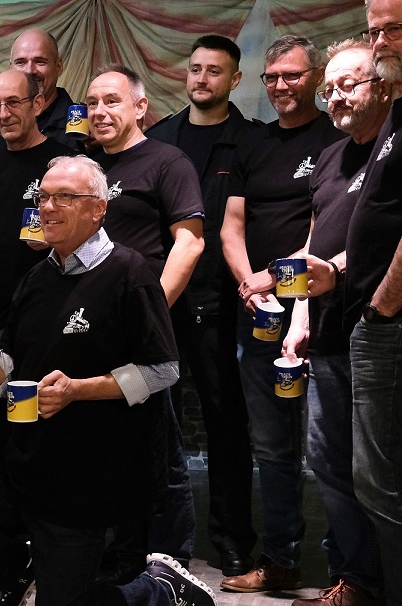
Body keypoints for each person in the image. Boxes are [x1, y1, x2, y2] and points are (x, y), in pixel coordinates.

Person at [0, 155, 216, 606]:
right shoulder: (36, 279)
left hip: (83, 477)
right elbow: (7, 368)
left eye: (64, 197)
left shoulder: (130, 273)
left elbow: (162, 369)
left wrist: (78, 391)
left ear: (98, 209)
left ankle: (161, 588)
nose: (48, 207)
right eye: (43, 197)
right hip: (18, 460)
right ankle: (24, 573)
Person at [219, 34, 346, 592]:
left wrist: (276, 277)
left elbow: (325, 227)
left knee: (331, 448)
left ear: (315, 77)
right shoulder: (254, 143)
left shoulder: (335, 141)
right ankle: (281, 560)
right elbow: (231, 227)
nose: (280, 86)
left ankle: (350, 571)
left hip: (322, 312)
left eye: (292, 75)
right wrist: (250, 284)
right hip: (261, 314)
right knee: (271, 445)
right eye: (271, 77)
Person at [277, 39, 390, 606]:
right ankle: (360, 580)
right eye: (332, 88)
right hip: (325, 335)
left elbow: (384, 240)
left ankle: (381, 584)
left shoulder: (394, 149)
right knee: (328, 461)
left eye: (351, 84)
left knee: (377, 472)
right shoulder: (329, 156)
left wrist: (336, 272)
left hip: (378, 331)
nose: (338, 96)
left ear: (384, 86)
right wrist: (298, 314)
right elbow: (316, 238)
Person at [145, 35, 261, 577]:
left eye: (215, 71)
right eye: (195, 69)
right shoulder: (159, 139)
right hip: (160, 300)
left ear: (234, 79)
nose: (202, 78)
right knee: (151, 422)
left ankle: (232, 541)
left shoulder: (250, 141)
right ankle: (153, 538)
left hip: (220, 303)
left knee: (227, 427)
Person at [87, 64, 204, 583]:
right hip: (90, 329)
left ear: (139, 107)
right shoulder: (85, 167)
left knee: (158, 448)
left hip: (143, 334)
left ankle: (171, 567)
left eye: (111, 101)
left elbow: (190, 243)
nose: (99, 111)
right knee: (104, 447)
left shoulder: (166, 161)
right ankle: (114, 557)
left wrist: (148, 314)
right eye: (93, 102)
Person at [0, 69, 73, 491]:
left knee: (28, 431)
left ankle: (27, 522)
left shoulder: (63, 165)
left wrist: (55, 241)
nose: (3, 114)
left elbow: (89, 239)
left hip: (36, 321)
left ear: (37, 104)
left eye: (13, 103)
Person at [339, 1, 402, 606]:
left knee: (379, 481)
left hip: (389, 326)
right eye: (373, 29)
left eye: (392, 27)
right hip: (375, 322)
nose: (382, 41)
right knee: (375, 478)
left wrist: (382, 306)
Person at [0, 28, 81, 174]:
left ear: (58, 67)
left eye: (40, 61)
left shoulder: (81, 127)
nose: (29, 70)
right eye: (21, 62)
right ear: (11, 67)